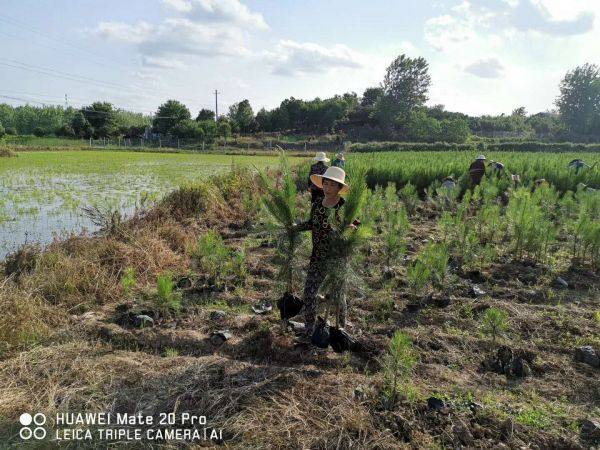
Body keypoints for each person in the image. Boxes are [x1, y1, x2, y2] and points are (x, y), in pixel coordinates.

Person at [294, 166, 354, 337]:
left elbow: (356, 224)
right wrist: (296, 227)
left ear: (339, 188)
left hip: (337, 258)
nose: (328, 188)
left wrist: (351, 229)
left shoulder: (343, 206)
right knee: (310, 293)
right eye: (325, 184)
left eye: (332, 185)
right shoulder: (317, 204)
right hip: (318, 256)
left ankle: (340, 329)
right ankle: (309, 329)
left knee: (338, 296)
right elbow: (311, 224)